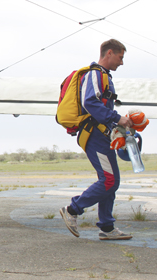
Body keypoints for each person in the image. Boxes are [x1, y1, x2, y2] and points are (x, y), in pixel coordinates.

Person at [59, 40, 134, 240]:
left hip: (103, 135)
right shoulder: (95, 74)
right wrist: (117, 118)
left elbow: (101, 107)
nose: (122, 62)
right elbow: (90, 102)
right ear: (109, 53)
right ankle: (72, 210)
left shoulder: (103, 76)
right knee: (109, 181)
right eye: (120, 57)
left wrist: (118, 125)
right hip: (94, 136)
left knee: (110, 181)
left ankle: (107, 228)